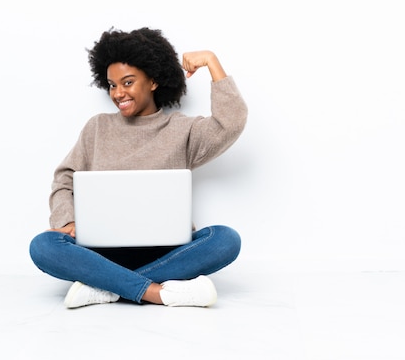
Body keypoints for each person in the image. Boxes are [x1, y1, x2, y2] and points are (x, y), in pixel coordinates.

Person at [29, 27, 248, 309]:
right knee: (42, 245)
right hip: (101, 251)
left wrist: (211, 61)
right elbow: (64, 179)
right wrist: (66, 221)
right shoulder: (97, 127)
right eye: (111, 85)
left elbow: (230, 122)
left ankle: (105, 286)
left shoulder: (183, 130)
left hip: (167, 251)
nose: (118, 93)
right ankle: (157, 292)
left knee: (225, 240)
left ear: (154, 81)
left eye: (128, 82)